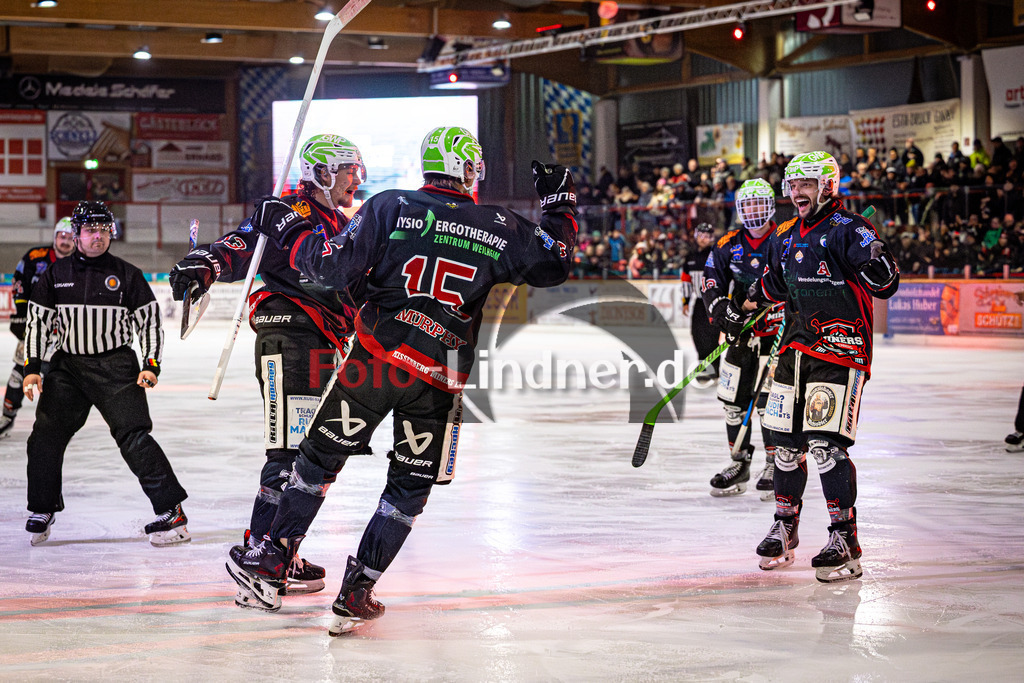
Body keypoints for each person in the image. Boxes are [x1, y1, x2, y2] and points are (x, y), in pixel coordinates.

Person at [224, 126, 579, 635]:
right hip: (440, 378)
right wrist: (560, 204)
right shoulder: (499, 224)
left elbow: (330, 270)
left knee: (318, 461)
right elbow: (556, 264)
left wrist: (290, 229)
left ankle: (274, 559)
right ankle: (357, 591)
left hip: (374, 361)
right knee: (409, 487)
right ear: (465, 167)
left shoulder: (390, 205)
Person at [169, 134, 366, 596]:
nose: (356, 179)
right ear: (321, 172)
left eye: (358, 170)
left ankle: (280, 550)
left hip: (321, 341)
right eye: (348, 170)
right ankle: (259, 551)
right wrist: (208, 262)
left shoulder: (337, 221)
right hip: (289, 336)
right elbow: (242, 245)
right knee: (288, 452)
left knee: (306, 452)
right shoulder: (287, 212)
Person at [735, 151, 900, 583]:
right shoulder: (785, 233)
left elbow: (885, 282)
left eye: (805, 183)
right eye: (791, 185)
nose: (795, 192)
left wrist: (881, 266)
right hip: (794, 351)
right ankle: (785, 527)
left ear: (828, 184)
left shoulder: (851, 228)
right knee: (785, 447)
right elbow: (771, 283)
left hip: (840, 352)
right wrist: (744, 304)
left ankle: (845, 539)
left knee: (826, 447)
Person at [21, 201, 189, 546]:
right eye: (90, 231)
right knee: (44, 437)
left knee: (135, 437)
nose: (98, 237)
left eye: (104, 230)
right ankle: (42, 508)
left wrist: (151, 364)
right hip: (68, 367)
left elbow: (149, 323)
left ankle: (172, 511)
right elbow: (37, 323)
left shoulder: (127, 274)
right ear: (77, 235)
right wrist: (32, 368)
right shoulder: (55, 275)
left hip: (116, 367)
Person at [701, 179, 783, 498]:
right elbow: (711, 282)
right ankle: (739, 462)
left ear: (771, 205)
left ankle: (776, 462)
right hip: (742, 333)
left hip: (778, 335)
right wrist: (724, 312)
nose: (752, 211)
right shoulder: (727, 244)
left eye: (758, 204)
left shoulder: (785, 237)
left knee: (768, 404)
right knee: (733, 403)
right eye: (747, 205)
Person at [0, 218, 76, 439]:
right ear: (54, 238)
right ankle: (7, 415)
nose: (65, 241)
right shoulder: (35, 257)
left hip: (65, 331)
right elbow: (19, 282)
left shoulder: (82, 262)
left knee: (58, 376)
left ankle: (56, 422)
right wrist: (21, 313)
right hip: (34, 325)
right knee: (19, 370)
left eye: (70, 237)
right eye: (62, 236)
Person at [679, 222, 719, 384]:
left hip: (714, 301)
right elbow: (686, 281)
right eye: (701, 235)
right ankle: (703, 367)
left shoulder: (716, 255)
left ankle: (714, 369)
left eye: (707, 236)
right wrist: (686, 301)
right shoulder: (690, 257)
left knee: (712, 336)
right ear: (696, 236)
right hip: (698, 302)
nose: (703, 239)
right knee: (697, 334)